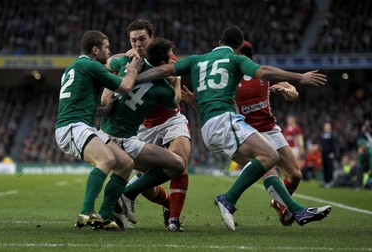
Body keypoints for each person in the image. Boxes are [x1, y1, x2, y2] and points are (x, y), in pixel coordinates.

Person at [136, 26, 331, 231]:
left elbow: (164, 70)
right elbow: (263, 71)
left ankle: (294, 210)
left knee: (268, 165)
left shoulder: (198, 60)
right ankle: (228, 199)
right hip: (226, 122)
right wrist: (301, 77)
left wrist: (133, 79)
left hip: (215, 128)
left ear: (220, 41)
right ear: (238, 47)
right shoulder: (235, 60)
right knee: (269, 157)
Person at [181, 40, 307, 226]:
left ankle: (278, 204)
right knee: (267, 167)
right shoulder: (230, 77)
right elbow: (213, 108)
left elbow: (292, 90)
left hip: (270, 129)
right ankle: (285, 208)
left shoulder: (259, 73)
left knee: (295, 175)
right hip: (247, 133)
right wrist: (194, 102)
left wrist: (288, 92)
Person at [106, 19, 191, 232]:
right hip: (142, 127)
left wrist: (133, 75)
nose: (138, 44)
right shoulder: (128, 58)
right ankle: (167, 205)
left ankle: (174, 219)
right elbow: (108, 63)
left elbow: (161, 75)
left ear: (151, 38)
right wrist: (121, 60)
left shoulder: (165, 56)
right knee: (148, 185)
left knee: (180, 159)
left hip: (170, 119)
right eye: (133, 40)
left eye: (142, 38)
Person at [54, 30, 143, 231]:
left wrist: (106, 108)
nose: (109, 51)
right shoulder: (90, 65)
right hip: (72, 126)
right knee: (106, 160)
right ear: (96, 50)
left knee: (126, 163)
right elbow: (125, 87)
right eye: (106, 47)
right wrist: (133, 70)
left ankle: (103, 215)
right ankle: (86, 212)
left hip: (82, 124)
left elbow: (90, 106)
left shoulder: (75, 67)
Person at [320, 121, 336, 188]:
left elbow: (333, 145)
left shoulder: (332, 136)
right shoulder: (322, 136)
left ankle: (330, 181)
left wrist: (333, 152)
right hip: (323, 154)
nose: (327, 128)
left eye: (328, 127)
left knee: (330, 168)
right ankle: (326, 180)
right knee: (325, 168)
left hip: (329, 154)